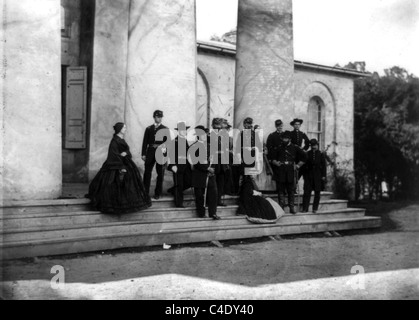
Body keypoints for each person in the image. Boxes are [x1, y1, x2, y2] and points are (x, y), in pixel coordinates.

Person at [87, 123, 152, 214]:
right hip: (117, 165)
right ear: (119, 129)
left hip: (126, 162)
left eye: (125, 127)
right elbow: (113, 155)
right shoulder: (114, 141)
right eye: (124, 127)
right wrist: (121, 167)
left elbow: (127, 151)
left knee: (129, 185)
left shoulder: (121, 139)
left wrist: (126, 152)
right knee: (115, 184)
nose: (125, 129)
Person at [271, 131, 307, 214]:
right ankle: (281, 208)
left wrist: (298, 165)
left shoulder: (295, 147)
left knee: (291, 190)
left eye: (286, 138)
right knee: (281, 191)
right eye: (283, 138)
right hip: (281, 171)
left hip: (290, 171)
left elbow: (305, 156)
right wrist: (276, 163)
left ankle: (292, 208)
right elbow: (272, 158)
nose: (284, 140)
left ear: (289, 139)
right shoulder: (279, 147)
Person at [190, 126, 221, 220]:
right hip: (199, 175)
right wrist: (207, 168)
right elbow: (196, 162)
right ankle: (201, 213)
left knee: (213, 194)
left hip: (210, 175)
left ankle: (213, 213)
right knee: (199, 196)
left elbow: (214, 160)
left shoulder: (210, 146)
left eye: (204, 133)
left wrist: (212, 170)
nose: (204, 135)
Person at [142, 110, 168, 200]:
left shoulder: (165, 129)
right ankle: (145, 193)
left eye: (160, 117)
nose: (159, 118)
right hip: (150, 152)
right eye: (157, 117)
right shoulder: (149, 128)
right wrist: (143, 154)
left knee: (160, 174)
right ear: (154, 117)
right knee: (147, 173)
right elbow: (145, 142)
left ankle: (157, 193)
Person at [167, 124, 192, 208]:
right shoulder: (174, 141)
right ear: (179, 131)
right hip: (177, 166)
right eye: (183, 130)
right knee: (179, 185)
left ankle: (173, 190)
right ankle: (179, 203)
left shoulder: (185, 140)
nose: (185, 132)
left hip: (186, 165)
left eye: (186, 130)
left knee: (189, 182)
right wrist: (173, 165)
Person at [302, 139, 327, 213]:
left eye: (315, 145)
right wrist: (304, 175)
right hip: (309, 176)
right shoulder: (307, 154)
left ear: (317, 145)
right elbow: (304, 165)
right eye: (312, 146)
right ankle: (305, 208)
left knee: (317, 193)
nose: (314, 147)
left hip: (318, 176)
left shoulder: (321, 154)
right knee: (307, 192)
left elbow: (324, 166)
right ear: (311, 146)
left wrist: (323, 175)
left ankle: (315, 208)